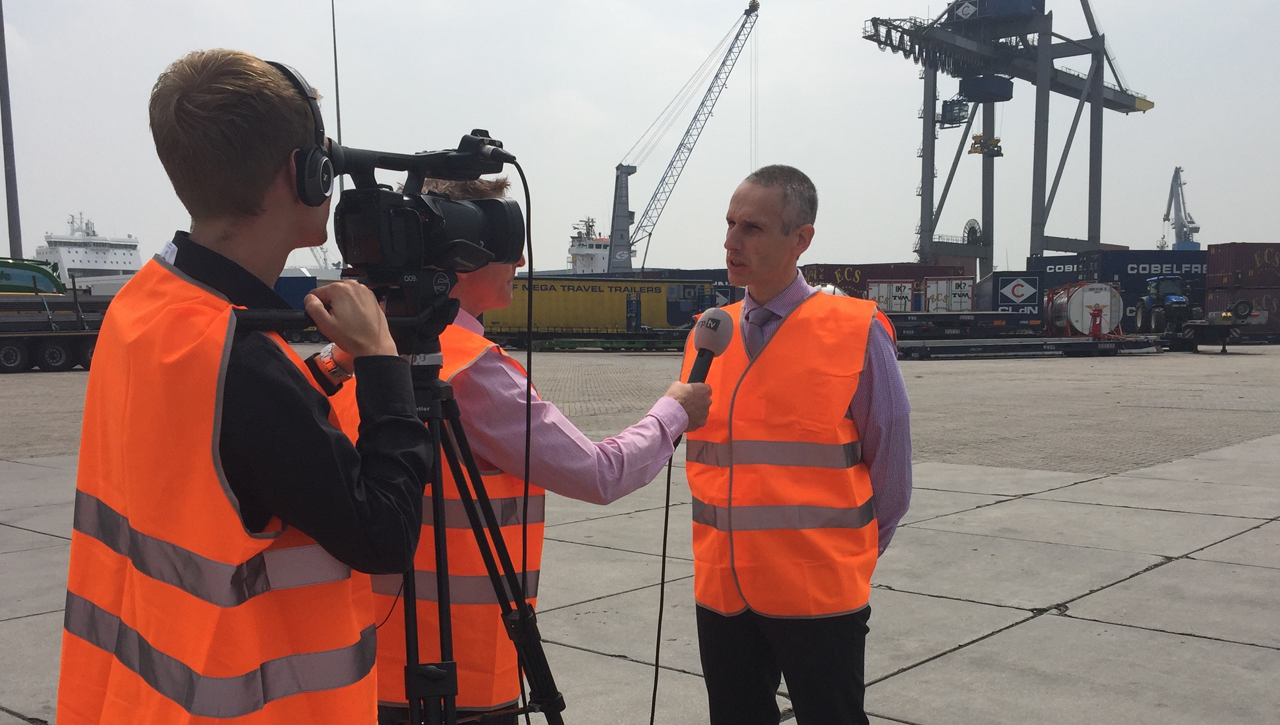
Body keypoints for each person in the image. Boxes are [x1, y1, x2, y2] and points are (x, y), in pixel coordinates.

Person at [56, 50, 433, 724]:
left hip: (140, 701)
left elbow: (215, 449)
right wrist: (381, 362)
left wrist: (325, 373)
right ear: (305, 173)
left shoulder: (147, 305)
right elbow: (382, 535)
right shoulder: (243, 362)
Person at [323, 177, 711, 725]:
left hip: (356, 663)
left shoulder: (354, 350)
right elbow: (600, 474)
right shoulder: (470, 369)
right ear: (462, 254)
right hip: (458, 674)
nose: (521, 259)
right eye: (505, 242)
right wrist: (673, 412)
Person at [680, 165, 912, 725]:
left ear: (801, 238)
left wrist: (847, 556)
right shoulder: (707, 333)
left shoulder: (855, 329)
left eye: (752, 228)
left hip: (818, 591)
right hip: (723, 588)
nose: (731, 241)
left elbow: (892, 476)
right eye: (730, 223)